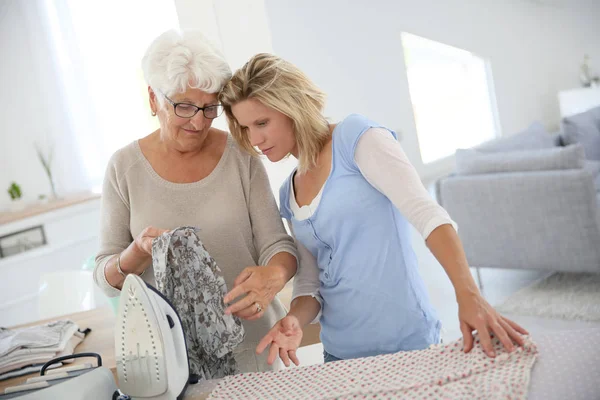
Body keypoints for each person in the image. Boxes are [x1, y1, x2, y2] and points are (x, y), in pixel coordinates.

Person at [219, 53, 528, 367]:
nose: (255, 139)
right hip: (339, 353)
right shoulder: (289, 193)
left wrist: (468, 295)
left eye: (262, 122)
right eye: (246, 128)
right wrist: (296, 320)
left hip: (407, 343)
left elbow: (427, 215)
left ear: (291, 107)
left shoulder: (356, 138)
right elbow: (311, 283)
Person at [93, 32, 298, 372]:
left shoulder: (241, 156)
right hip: (172, 364)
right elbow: (105, 277)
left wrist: (273, 276)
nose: (199, 121)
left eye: (209, 107)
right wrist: (137, 253)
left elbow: (278, 245)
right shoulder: (124, 168)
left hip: (256, 349)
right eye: (184, 106)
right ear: (153, 99)